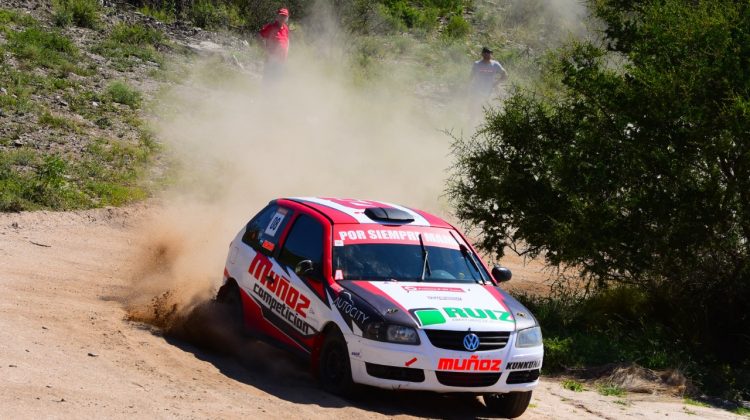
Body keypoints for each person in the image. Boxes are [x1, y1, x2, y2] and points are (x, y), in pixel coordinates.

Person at [469, 47, 508, 121]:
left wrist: (497, 83)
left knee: (489, 109)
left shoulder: (495, 64)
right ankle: (472, 124)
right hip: (477, 90)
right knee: (475, 109)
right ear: (482, 54)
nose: (488, 55)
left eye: (489, 53)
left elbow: (505, 74)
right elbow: (471, 76)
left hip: (490, 91)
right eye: (486, 53)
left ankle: (486, 124)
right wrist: (468, 86)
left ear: (491, 54)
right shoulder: (477, 64)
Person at [258, 8, 290, 83]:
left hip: (281, 60)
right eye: (281, 15)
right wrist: (265, 50)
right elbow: (259, 36)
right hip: (271, 60)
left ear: (287, 18)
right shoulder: (271, 27)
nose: (283, 18)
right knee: (268, 81)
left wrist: (287, 51)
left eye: (285, 16)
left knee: (277, 81)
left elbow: (287, 40)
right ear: (277, 16)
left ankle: (274, 94)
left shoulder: (285, 28)